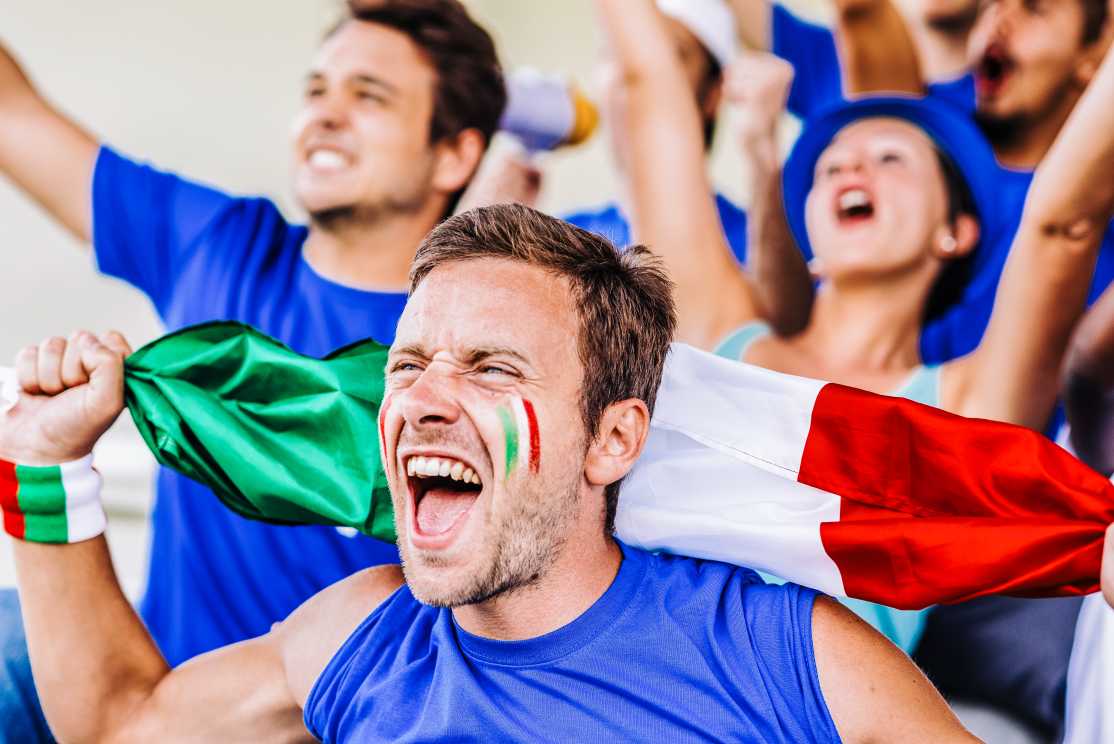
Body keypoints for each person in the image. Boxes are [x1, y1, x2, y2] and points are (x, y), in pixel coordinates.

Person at [0, 204, 982, 743]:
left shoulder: (780, 651)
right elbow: (120, 731)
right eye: (408, 364)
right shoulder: (359, 635)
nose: (424, 399)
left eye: (491, 368)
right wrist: (45, 468)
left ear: (612, 441)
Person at [603, 0, 1114, 734]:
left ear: (955, 231)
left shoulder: (963, 411)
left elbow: (1061, 225)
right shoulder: (718, 333)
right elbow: (652, 89)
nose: (849, 164)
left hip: (796, 718)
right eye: (832, 163)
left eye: (890, 158)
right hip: (621, 683)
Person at [0, 0, 503, 739]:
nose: (325, 115)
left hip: (283, 719)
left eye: (369, 96)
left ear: (454, 155)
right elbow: (14, 120)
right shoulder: (222, 243)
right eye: (316, 90)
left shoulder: (477, 349)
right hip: (134, 678)